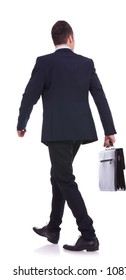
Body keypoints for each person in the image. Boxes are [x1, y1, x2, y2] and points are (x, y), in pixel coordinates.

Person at [17, 20, 116, 251]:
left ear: (55, 40)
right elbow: (100, 97)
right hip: (80, 132)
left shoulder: (45, 63)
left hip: (57, 132)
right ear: (70, 38)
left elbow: (29, 95)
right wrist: (109, 130)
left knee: (64, 179)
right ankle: (53, 228)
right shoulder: (86, 63)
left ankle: (89, 235)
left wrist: (22, 122)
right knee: (58, 175)